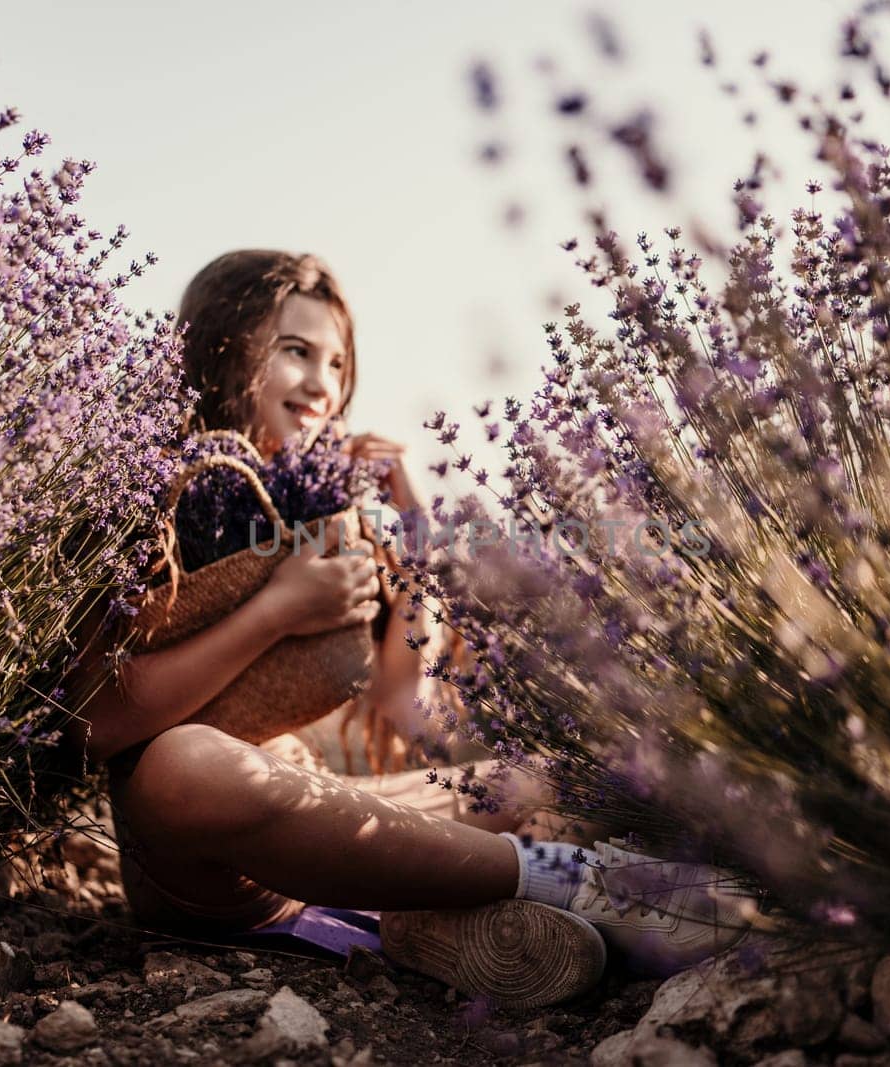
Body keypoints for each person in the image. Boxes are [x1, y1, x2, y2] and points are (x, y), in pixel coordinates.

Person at [66, 250, 767, 1010]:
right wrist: (277, 609)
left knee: (540, 775)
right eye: (295, 351)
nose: (321, 385)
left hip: (317, 802)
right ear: (222, 346)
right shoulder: (146, 486)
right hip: (201, 840)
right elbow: (94, 722)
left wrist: (412, 544)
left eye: (336, 362)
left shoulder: (319, 512)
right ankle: (581, 882)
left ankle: (442, 919)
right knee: (184, 761)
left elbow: (407, 714)